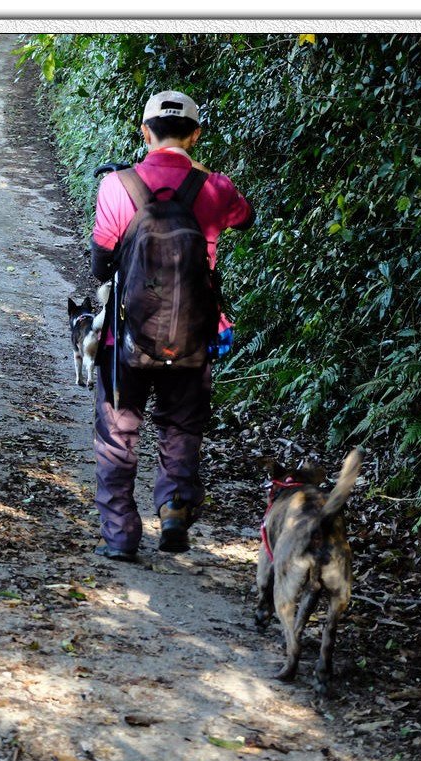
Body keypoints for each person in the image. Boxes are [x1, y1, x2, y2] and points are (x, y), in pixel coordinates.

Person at [90, 89, 255, 562]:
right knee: (182, 425)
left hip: (127, 335)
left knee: (117, 432)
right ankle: (176, 509)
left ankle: (120, 537)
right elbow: (245, 218)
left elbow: (102, 266)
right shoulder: (216, 188)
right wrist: (206, 185)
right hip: (193, 334)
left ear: (144, 132)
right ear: (196, 134)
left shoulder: (116, 185)